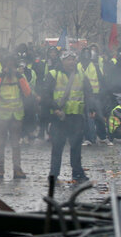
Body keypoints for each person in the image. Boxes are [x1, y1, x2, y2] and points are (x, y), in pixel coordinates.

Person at [44, 51, 93, 182]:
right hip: (59, 117)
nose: (71, 62)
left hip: (76, 117)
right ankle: (53, 174)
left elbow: (89, 93)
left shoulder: (81, 75)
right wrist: (54, 109)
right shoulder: (53, 74)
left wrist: (92, 108)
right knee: (57, 146)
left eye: (73, 59)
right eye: (68, 60)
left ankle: (77, 173)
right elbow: (46, 95)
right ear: (62, 61)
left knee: (76, 146)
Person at [0, 55, 31, 179]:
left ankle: (17, 169)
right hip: (1, 116)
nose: (10, 67)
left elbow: (27, 92)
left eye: (12, 65)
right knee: (1, 142)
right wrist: (1, 77)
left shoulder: (20, 78)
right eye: (7, 65)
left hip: (16, 115)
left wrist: (20, 77)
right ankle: (0, 169)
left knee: (15, 144)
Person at [78, 47, 109, 146]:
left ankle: (103, 137)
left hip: (95, 95)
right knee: (87, 118)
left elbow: (102, 80)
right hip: (82, 95)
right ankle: (89, 138)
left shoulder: (95, 66)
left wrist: (103, 93)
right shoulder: (77, 66)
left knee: (99, 116)